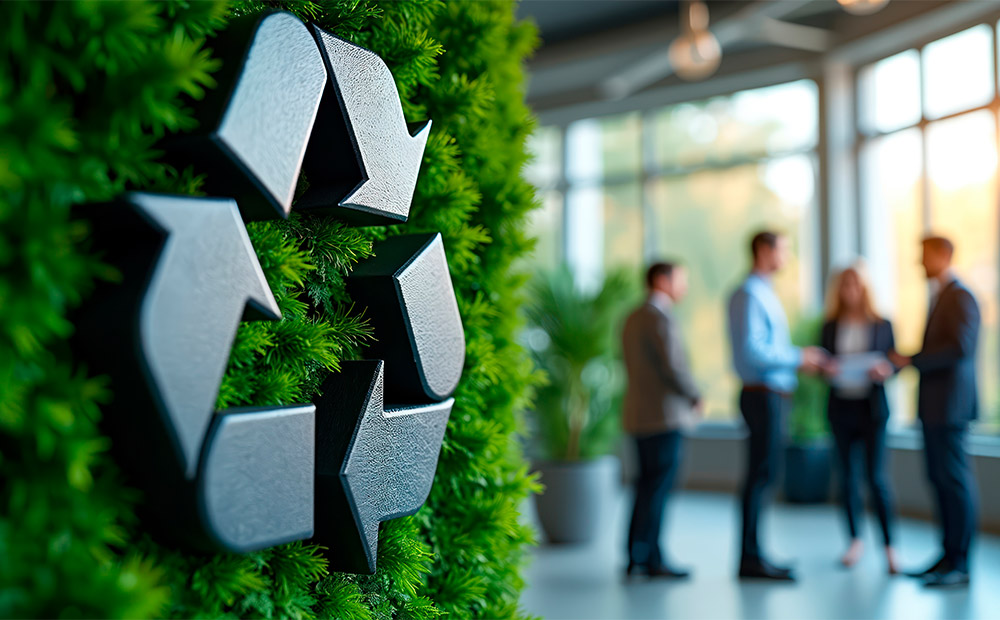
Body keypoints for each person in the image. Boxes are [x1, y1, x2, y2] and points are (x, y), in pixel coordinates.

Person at [727, 231, 828, 581]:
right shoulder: (750, 294)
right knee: (760, 477)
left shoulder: (763, 293)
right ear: (763, 250)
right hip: (761, 395)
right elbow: (754, 352)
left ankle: (754, 554)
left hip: (771, 395)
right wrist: (799, 357)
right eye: (782, 249)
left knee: (764, 475)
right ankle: (750, 558)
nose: (786, 256)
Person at [889, 236, 980, 589]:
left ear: (943, 255)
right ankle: (946, 556)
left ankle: (960, 563)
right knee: (940, 480)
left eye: (924, 256)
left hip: (951, 408)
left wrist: (913, 360)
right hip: (935, 408)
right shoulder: (942, 296)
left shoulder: (961, 296)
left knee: (954, 482)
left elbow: (960, 348)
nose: (919, 262)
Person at [622, 262, 702, 579]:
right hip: (664, 417)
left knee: (644, 485)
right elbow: (674, 367)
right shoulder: (660, 318)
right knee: (659, 488)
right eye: (680, 279)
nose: (684, 286)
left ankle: (634, 553)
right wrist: (695, 395)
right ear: (661, 280)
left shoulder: (631, 317)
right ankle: (653, 558)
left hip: (637, 415)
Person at [820, 263, 899, 573]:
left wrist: (886, 370)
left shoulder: (882, 323)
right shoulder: (829, 325)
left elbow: (894, 361)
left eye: (854, 284)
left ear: (864, 287)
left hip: (872, 410)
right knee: (847, 479)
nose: (849, 290)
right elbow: (823, 361)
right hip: (841, 408)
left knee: (876, 478)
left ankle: (890, 546)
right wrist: (826, 369)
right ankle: (854, 540)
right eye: (844, 285)